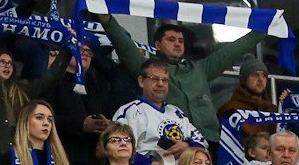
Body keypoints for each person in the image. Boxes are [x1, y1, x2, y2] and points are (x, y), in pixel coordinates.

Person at [98, 12, 268, 143]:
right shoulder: (148, 70)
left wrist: (267, 26)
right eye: (171, 40)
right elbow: (124, 46)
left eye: (181, 41)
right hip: (175, 143)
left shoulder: (199, 69)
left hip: (213, 141)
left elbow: (234, 50)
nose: (178, 44)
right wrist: (106, 19)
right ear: (157, 45)